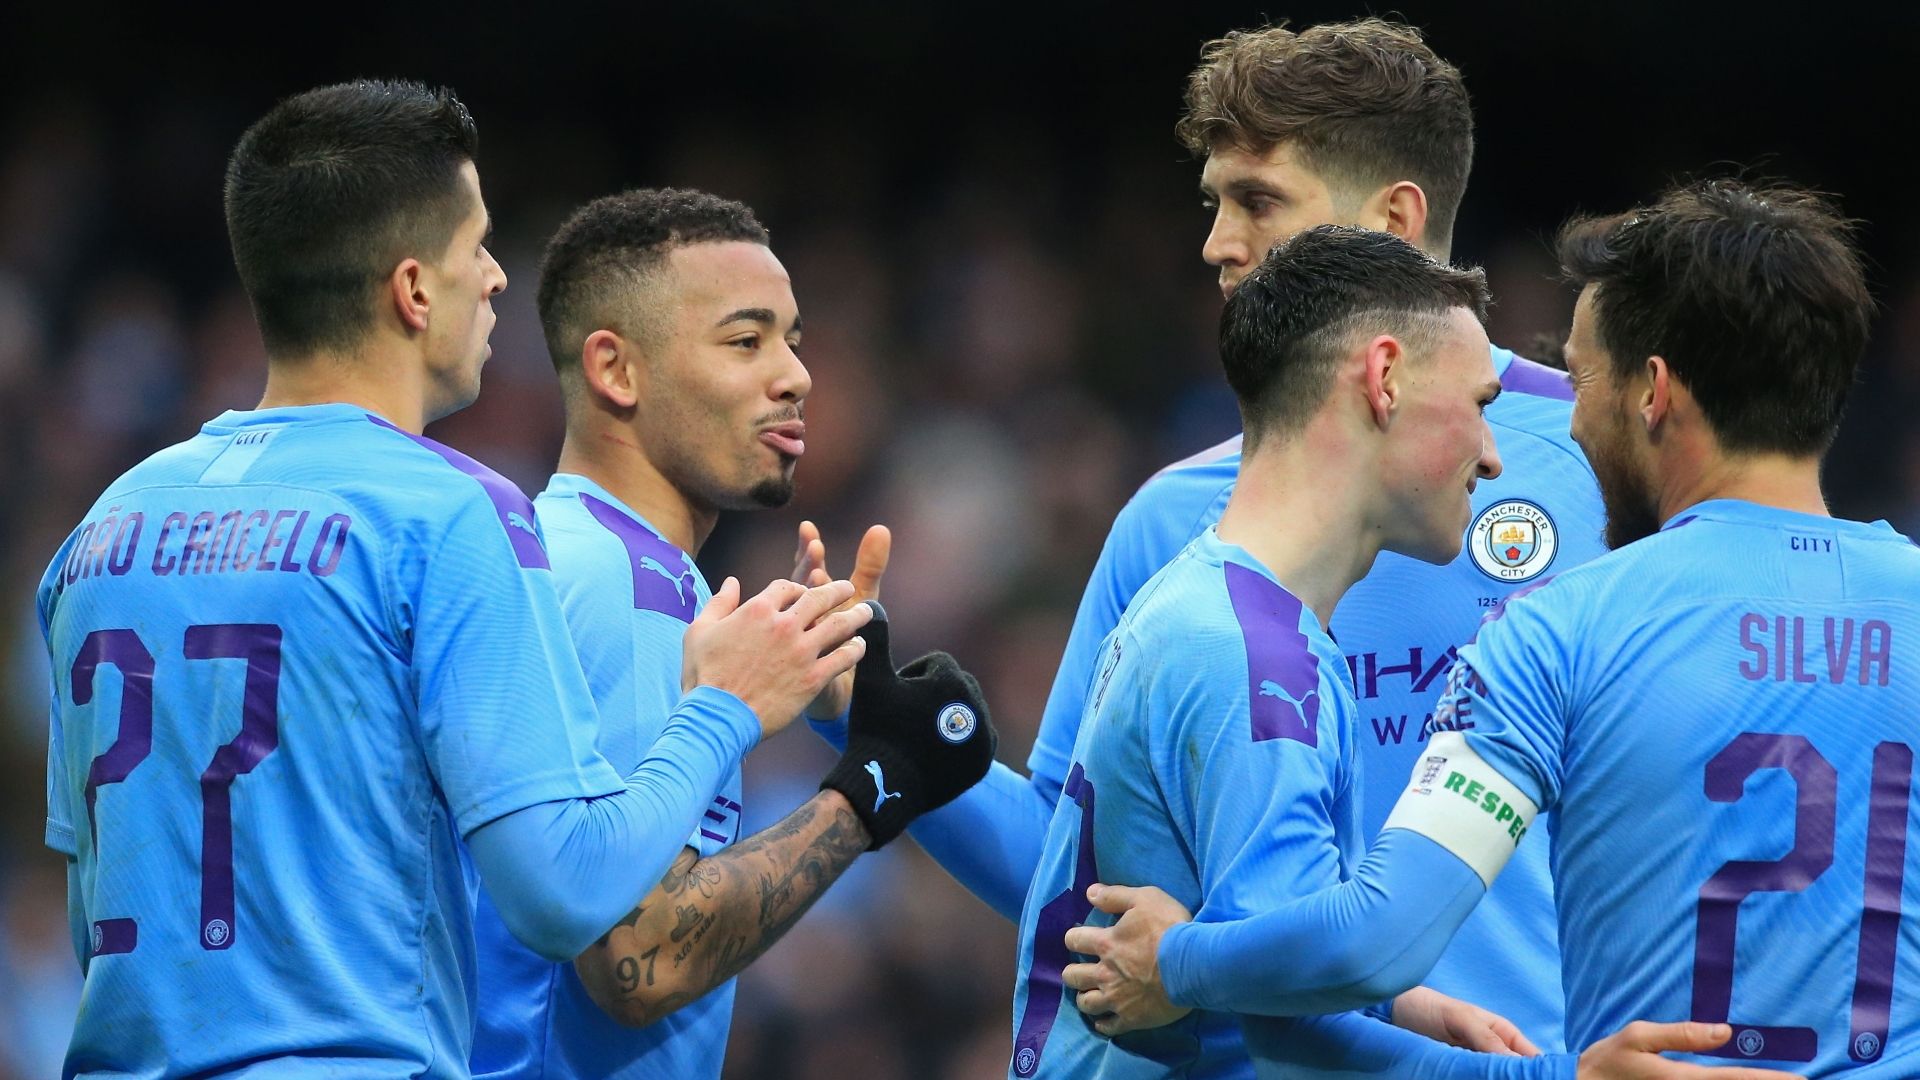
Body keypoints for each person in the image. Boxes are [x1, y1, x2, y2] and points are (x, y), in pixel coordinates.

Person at [801, 16, 1604, 1055]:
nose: (1217, 243)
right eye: (1216, 201)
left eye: (1258, 200)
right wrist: (871, 730)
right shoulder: (1182, 522)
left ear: (1394, 222)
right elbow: (1078, 872)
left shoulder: (1596, 457)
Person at [38, 81, 874, 1078]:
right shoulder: (448, 511)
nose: (494, 280)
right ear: (412, 291)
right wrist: (723, 709)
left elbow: (94, 908)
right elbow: (565, 895)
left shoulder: (105, 526)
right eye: (476, 247)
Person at [1068, 180, 1898, 1079]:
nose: (1567, 422)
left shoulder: (1556, 632)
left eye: (1581, 379)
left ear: (1653, 393)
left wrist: (1181, 960)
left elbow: (1374, 939)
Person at [470, 187, 997, 1079]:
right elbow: (642, 958)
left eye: (792, 338)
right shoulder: (617, 581)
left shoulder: (596, 559)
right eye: (746, 341)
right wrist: (873, 787)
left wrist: (824, 701)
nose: (795, 375)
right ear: (617, 370)